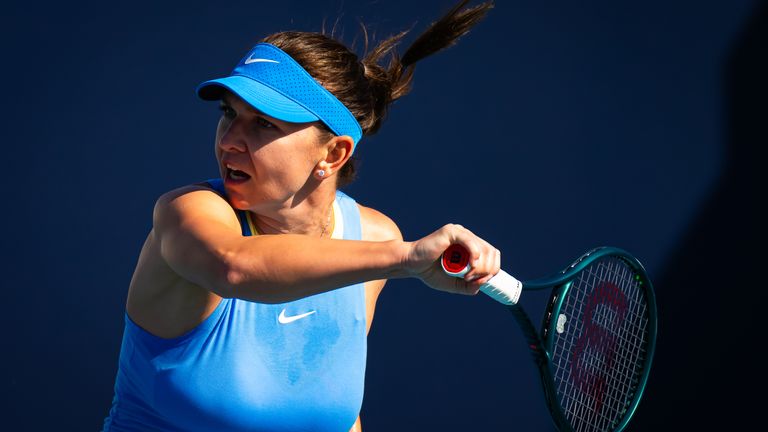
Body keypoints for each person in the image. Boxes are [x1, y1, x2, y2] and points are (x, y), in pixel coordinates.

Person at [102, 1, 498, 431]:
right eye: (229, 114)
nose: (230, 140)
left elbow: (334, 411)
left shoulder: (374, 234)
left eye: (264, 124)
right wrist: (404, 259)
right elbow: (234, 266)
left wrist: (397, 255)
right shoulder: (187, 213)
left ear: (333, 153)